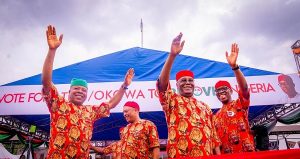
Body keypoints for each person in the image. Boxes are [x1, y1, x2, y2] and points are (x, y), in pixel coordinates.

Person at [42, 25, 134, 159]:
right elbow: (46, 81)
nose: (80, 91)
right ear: (69, 91)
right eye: (76, 88)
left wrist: (124, 86)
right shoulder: (59, 104)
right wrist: (52, 51)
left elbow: (111, 103)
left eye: (84, 90)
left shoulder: (90, 111)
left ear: (87, 94)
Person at [156, 33, 221, 158]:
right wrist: (172, 55)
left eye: (190, 80)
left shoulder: (205, 107)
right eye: (183, 80)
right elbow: (162, 85)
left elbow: (214, 137)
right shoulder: (172, 100)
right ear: (177, 84)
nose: (187, 83)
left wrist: (219, 156)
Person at [213, 43, 255, 154]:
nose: (221, 92)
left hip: (246, 153)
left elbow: (245, 89)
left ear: (231, 91)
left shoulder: (240, 104)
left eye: (224, 89)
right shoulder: (216, 116)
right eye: (218, 91)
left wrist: (235, 67)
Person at [91, 101, 160, 159]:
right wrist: (90, 146)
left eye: (126, 111)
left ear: (136, 110)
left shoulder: (147, 124)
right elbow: (103, 150)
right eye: (123, 112)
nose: (124, 114)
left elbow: (155, 147)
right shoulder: (124, 130)